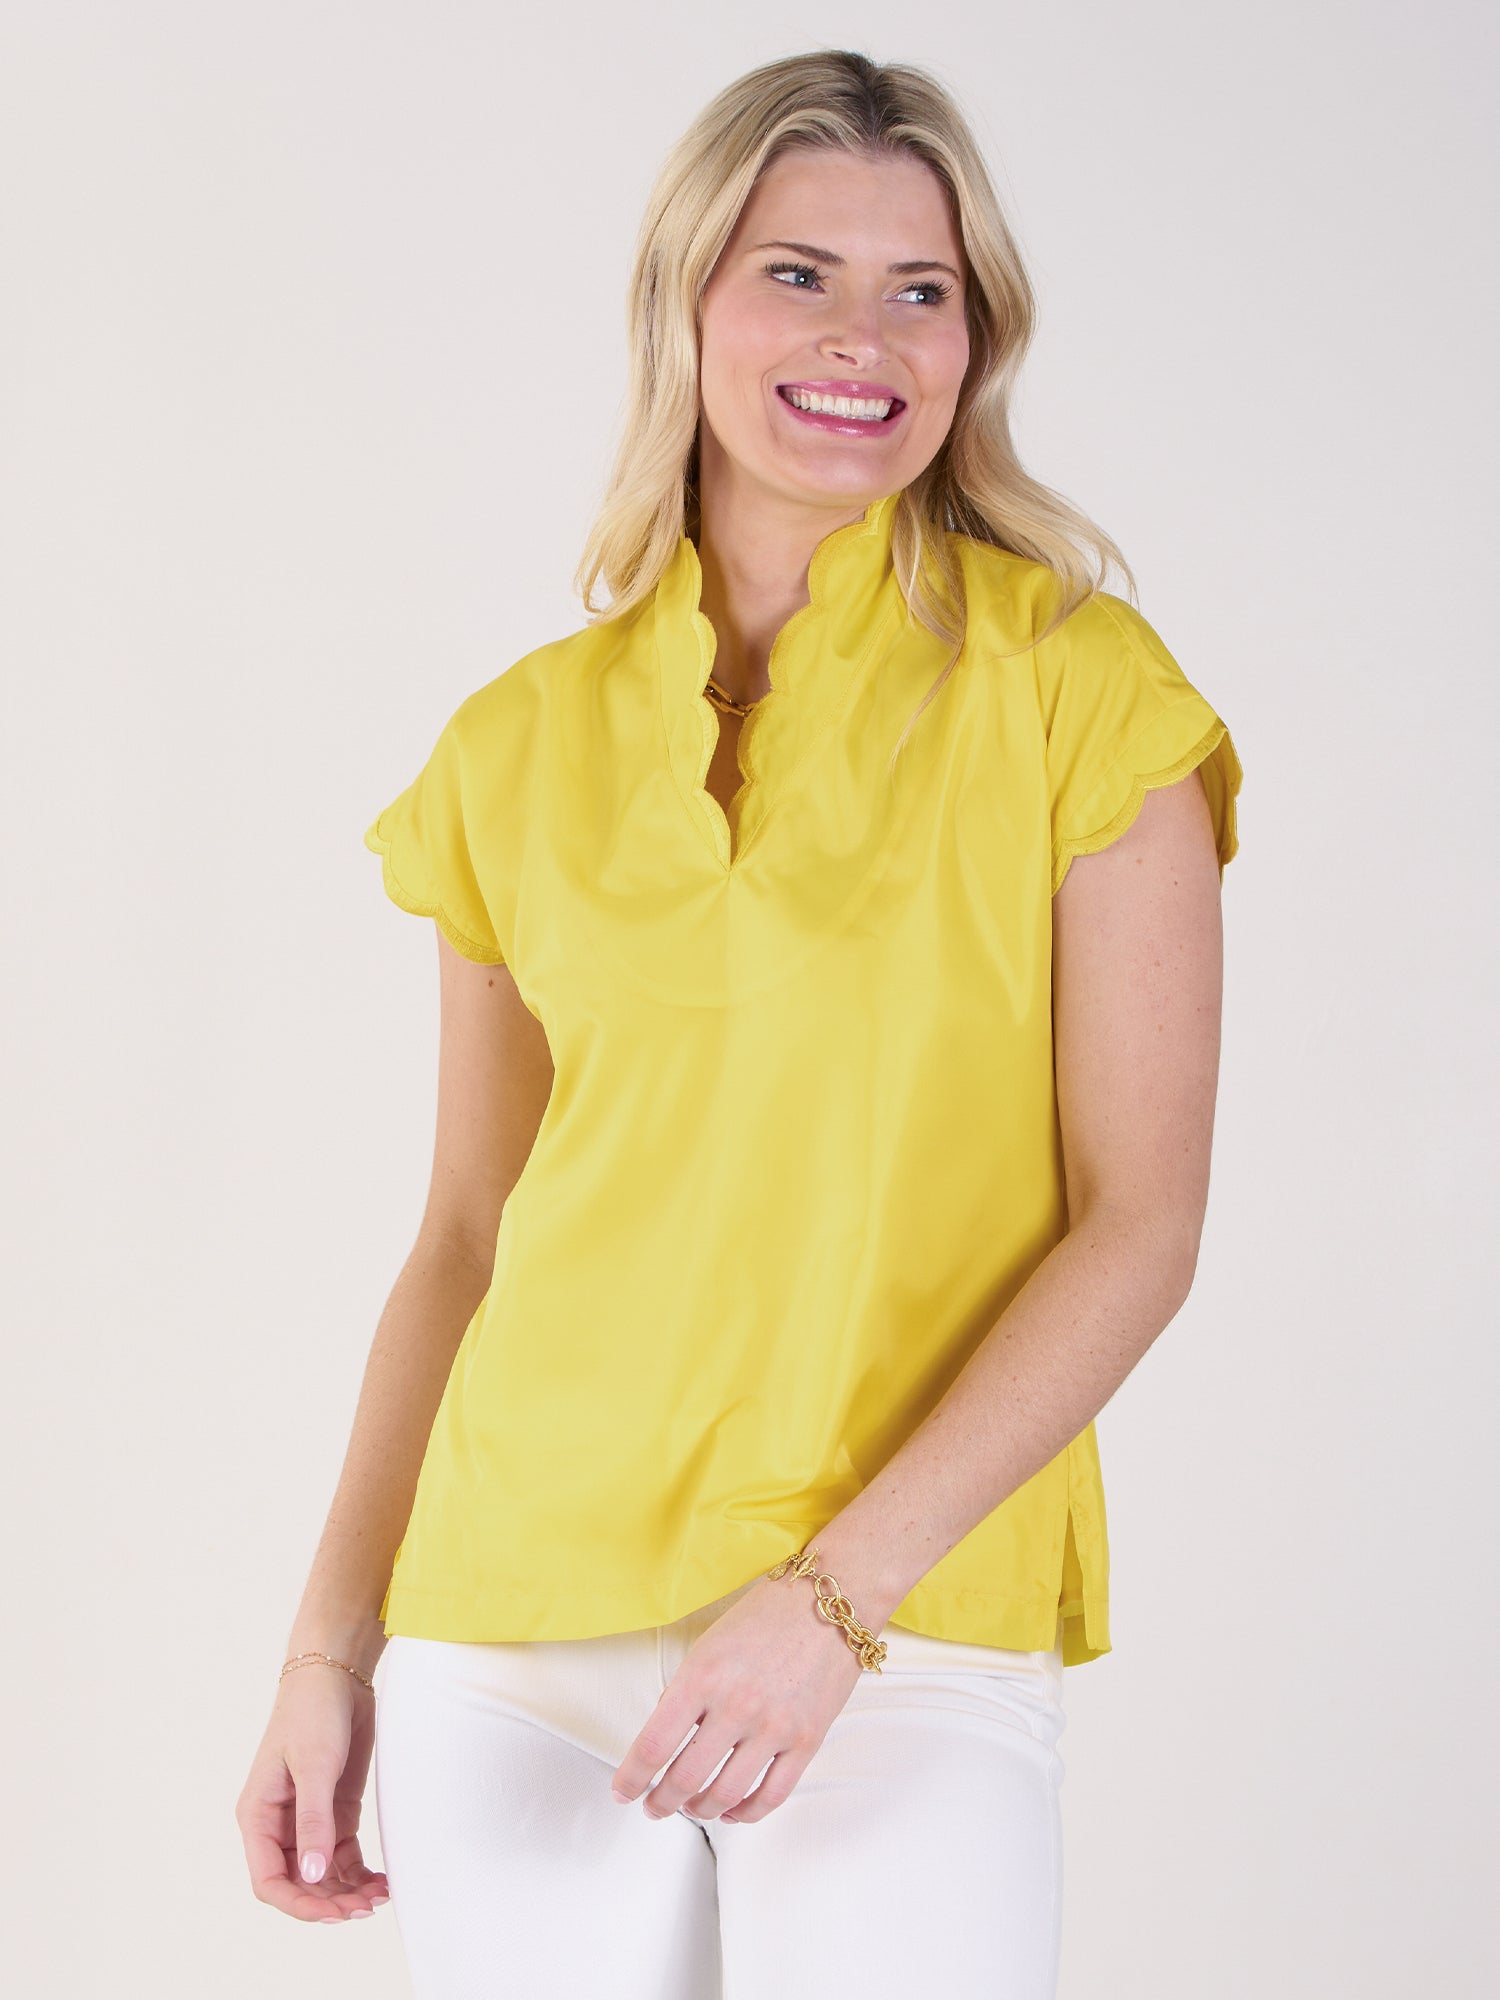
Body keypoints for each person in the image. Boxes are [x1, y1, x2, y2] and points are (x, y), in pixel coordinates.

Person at [236, 47, 1242, 1999]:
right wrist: (329, 1644)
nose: (865, 335)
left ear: (976, 336)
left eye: (921, 288)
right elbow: (466, 1237)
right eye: (799, 273)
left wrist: (832, 1605)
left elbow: (1141, 1223)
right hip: (506, 1636)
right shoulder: (514, 746)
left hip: (897, 1627)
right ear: (684, 300)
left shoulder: (1081, 692)